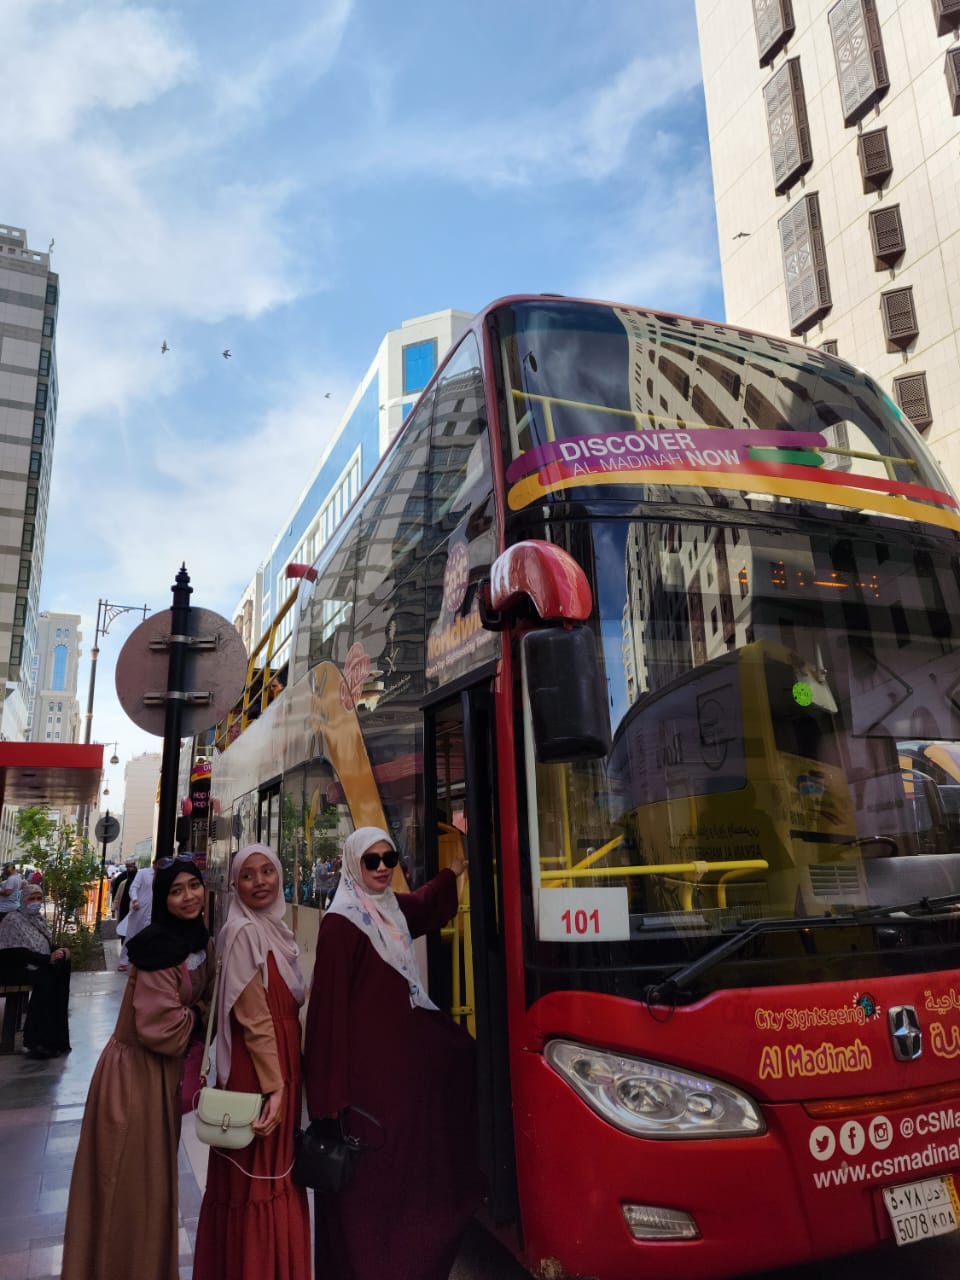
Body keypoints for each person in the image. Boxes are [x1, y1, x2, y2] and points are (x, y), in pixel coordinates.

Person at [303, 826, 481, 1280]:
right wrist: (328, 1100)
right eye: (372, 861)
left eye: (389, 859)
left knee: (405, 1171)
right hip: (364, 1083)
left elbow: (423, 904)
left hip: (400, 1073)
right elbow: (326, 1014)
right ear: (353, 865)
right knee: (368, 1180)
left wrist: (454, 871)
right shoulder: (341, 924)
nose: (382, 868)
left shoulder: (389, 909)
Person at [62, 856, 214, 1280]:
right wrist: (200, 1014)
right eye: (176, 891)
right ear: (162, 900)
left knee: (150, 1185)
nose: (189, 896)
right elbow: (160, 1027)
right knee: (127, 1186)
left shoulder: (197, 942)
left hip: (159, 1077)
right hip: (133, 1080)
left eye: (194, 886)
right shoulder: (157, 948)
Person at [193, 843, 310, 1280]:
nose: (260, 882)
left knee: (271, 1175)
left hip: (278, 1066)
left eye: (267, 871)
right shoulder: (242, 932)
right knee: (259, 1179)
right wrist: (275, 1088)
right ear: (235, 885)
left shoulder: (273, 930)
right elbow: (255, 1019)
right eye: (247, 875)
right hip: (258, 1074)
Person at [0, 882, 71, 1058]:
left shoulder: (37, 919)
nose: (36, 902)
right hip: (12, 969)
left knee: (59, 971)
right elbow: (17, 953)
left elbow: (42, 943)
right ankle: (34, 1040)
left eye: (39, 898)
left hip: (32, 965)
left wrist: (59, 950)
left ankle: (53, 1038)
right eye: (32, 898)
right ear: (23, 900)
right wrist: (47, 959)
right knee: (46, 979)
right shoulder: (12, 920)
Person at [121, 857, 156, 967]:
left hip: (153, 911)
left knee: (148, 936)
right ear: (154, 863)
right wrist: (135, 900)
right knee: (131, 935)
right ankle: (124, 961)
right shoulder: (143, 873)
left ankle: (141, 961)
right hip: (139, 909)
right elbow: (133, 888)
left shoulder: (164, 876)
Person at [111, 857, 138, 969]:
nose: (129, 868)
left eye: (131, 866)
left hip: (136, 911)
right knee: (124, 934)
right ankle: (126, 957)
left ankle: (132, 956)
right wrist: (113, 908)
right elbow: (117, 896)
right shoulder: (122, 880)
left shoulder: (139, 879)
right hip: (124, 911)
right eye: (128, 866)